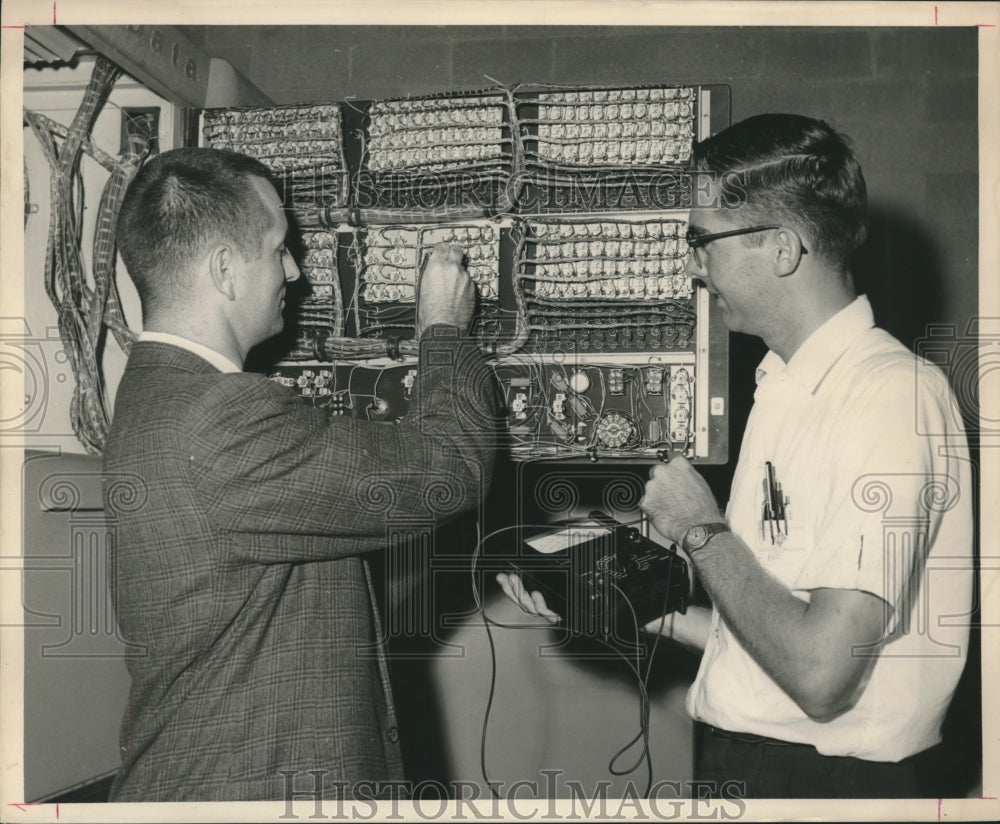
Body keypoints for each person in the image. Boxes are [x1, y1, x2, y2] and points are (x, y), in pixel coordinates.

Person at [498, 113, 973, 798]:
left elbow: (819, 672)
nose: (693, 267)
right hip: (757, 765)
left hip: (824, 783)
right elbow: (771, 632)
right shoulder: (787, 384)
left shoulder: (888, 396)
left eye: (702, 242)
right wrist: (611, 601)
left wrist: (700, 526)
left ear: (781, 248)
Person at [104, 147, 499, 801]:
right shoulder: (222, 417)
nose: (295, 272)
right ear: (226, 270)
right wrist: (443, 330)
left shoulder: (155, 394)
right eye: (279, 248)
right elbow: (447, 469)